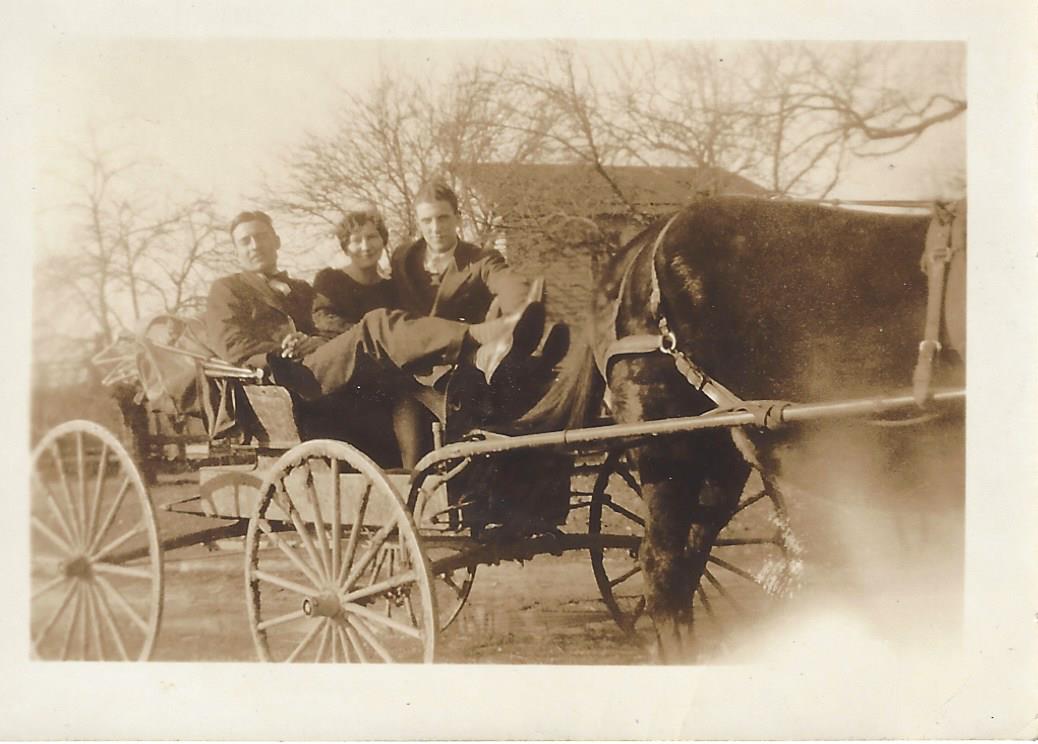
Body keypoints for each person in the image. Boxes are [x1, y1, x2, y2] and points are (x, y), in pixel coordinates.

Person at [205, 211, 544, 405]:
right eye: (245, 241)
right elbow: (233, 346)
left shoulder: (303, 289)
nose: (256, 245)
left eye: (261, 237)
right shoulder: (227, 290)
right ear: (235, 249)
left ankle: (494, 357)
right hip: (289, 377)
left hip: (322, 362)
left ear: (276, 241)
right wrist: (282, 351)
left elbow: (323, 329)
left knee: (403, 350)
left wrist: (316, 343)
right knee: (377, 323)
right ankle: (482, 339)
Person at [390, 180, 530, 322]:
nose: (436, 228)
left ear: (458, 219)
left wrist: (517, 317)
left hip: (464, 342)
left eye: (442, 218)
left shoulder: (481, 260)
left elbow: (508, 282)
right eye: (427, 221)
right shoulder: (402, 258)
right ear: (418, 223)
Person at [312, 207, 397, 337]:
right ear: (346, 248)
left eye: (371, 237)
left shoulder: (391, 289)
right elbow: (325, 321)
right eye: (356, 240)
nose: (366, 247)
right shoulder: (330, 280)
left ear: (383, 241)